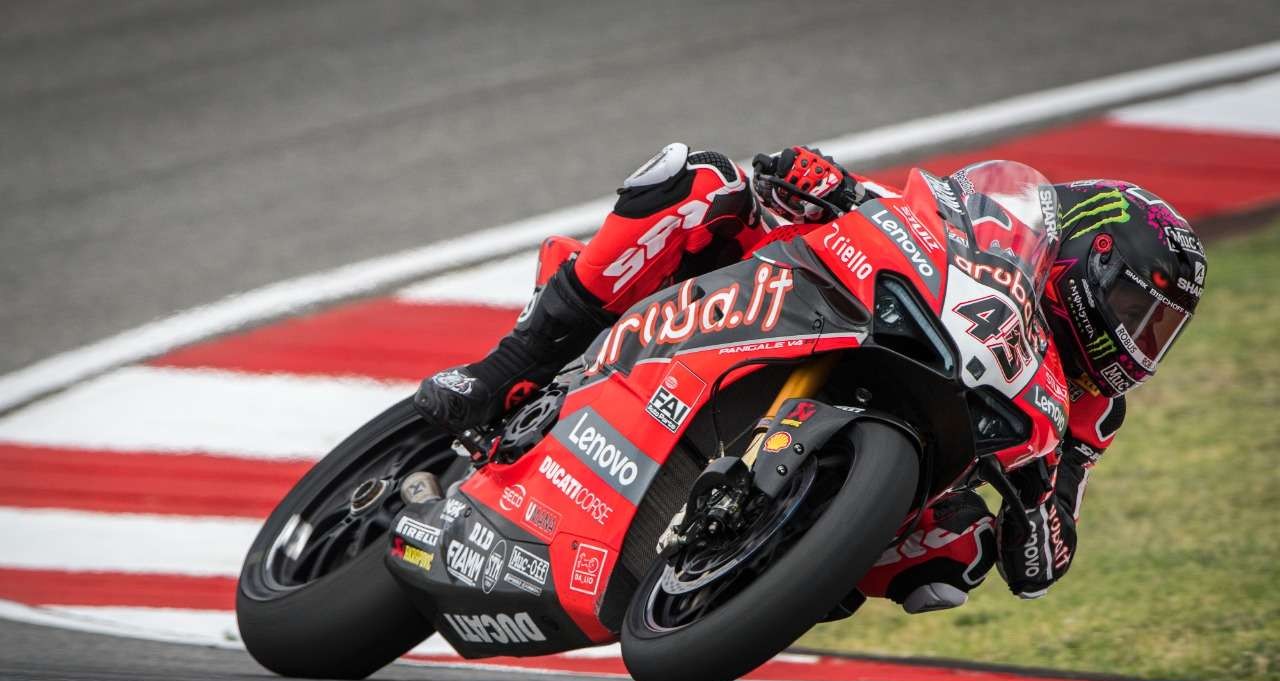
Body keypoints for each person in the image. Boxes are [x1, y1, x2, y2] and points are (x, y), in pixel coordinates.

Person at [414, 143, 1208, 613]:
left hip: (918, 439)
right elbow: (918, 214)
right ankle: (509, 369)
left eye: (1159, 332)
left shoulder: (1092, 410)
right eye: (1139, 310)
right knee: (700, 180)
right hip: (819, 296)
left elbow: (1045, 563)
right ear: (1090, 262)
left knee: (962, 554)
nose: (1140, 341)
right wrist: (826, 184)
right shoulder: (1004, 229)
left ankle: (795, 552)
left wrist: (1037, 509)